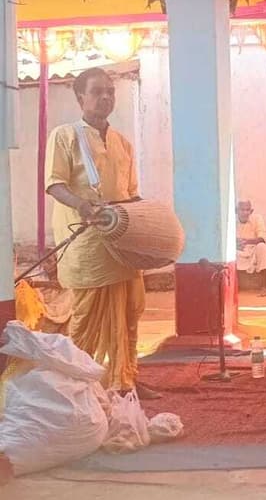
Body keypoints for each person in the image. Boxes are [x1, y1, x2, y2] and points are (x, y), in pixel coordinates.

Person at [44, 67, 158, 398]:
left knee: (130, 312)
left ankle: (125, 378)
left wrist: (149, 220)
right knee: (86, 319)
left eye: (110, 91)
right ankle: (77, 384)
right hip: (87, 245)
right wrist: (81, 206)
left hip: (122, 243)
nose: (106, 97)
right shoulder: (64, 136)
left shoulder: (122, 142)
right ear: (81, 98)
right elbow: (54, 184)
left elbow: (131, 194)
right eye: (97, 91)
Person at [236, 200, 266, 294]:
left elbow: (262, 238)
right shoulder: (230, 220)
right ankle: (235, 285)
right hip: (238, 250)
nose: (245, 212)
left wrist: (246, 242)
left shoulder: (257, 218)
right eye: (242, 210)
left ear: (251, 211)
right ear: (236, 210)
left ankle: (264, 287)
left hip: (253, 250)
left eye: (247, 210)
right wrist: (235, 243)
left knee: (262, 247)